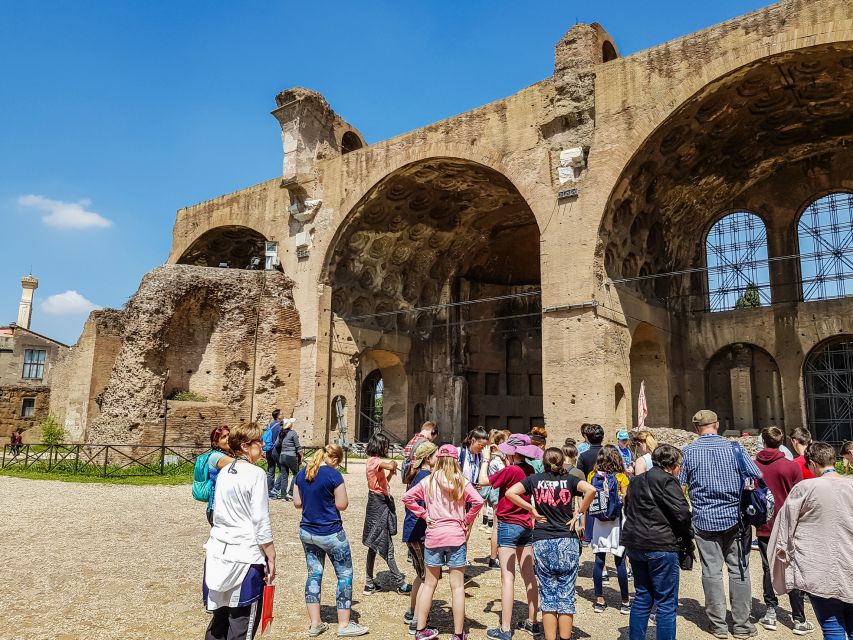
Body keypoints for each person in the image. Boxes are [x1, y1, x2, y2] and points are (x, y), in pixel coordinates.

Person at [679, 410, 760, 640]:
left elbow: (680, 485)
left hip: (704, 519)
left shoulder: (689, 452)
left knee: (711, 571)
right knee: (739, 570)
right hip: (736, 518)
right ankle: (742, 626)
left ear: (697, 429)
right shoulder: (735, 448)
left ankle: (718, 626)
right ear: (716, 424)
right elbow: (755, 476)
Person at [506, 447, 597, 640]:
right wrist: (579, 513)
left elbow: (510, 493)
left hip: (542, 539)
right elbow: (591, 489)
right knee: (566, 593)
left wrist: (531, 508)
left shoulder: (535, 480)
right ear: (562, 462)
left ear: (543, 463)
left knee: (548, 594)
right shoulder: (571, 480)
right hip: (567, 539)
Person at [769, 441, 853, 640]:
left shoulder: (805, 488)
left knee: (832, 627)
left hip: (819, 568)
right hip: (851, 564)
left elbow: (784, 529)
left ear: (813, 464)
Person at [402, 444, 485, 640]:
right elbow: (479, 501)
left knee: (429, 584)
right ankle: (458, 634)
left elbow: (407, 498)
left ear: (437, 459)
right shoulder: (462, 482)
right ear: (455, 461)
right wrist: (466, 519)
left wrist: (424, 514)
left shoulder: (429, 481)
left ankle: (421, 630)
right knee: (457, 587)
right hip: (456, 536)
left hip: (434, 535)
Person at [203, 423, 275, 640]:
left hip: (217, 552)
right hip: (245, 556)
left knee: (219, 620)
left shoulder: (224, 472)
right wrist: (270, 554)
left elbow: (217, 513)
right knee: (242, 623)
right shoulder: (256, 474)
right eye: (258, 442)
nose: (263, 446)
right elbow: (260, 519)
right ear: (245, 446)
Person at [293, 443, 368, 637]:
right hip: (331, 533)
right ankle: (343, 625)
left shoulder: (302, 473)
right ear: (334, 459)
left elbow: (297, 503)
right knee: (344, 575)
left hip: (307, 532)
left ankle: (315, 623)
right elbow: (342, 505)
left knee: (314, 574)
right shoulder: (334, 475)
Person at [622, 444, 693, 640]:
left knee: (642, 596)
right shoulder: (668, 481)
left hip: (636, 542)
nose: (680, 469)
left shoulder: (636, 481)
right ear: (672, 465)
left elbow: (628, 509)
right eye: (679, 465)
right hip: (661, 544)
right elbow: (682, 514)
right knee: (666, 602)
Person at [479, 434, 543, 640]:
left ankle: (505, 629)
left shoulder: (510, 470)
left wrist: (486, 460)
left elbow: (482, 482)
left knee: (507, 577)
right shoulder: (529, 469)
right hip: (526, 524)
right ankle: (532, 622)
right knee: (529, 575)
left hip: (508, 524)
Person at [753, 426, 813, 635]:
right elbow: (800, 500)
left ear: (763, 441)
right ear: (781, 443)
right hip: (789, 525)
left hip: (765, 525)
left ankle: (770, 612)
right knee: (791, 568)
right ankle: (798, 619)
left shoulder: (753, 465)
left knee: (769, 568)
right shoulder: (791, 467)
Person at [363, 432, 411, 594]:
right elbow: (390, 464)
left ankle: (369, 582)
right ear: (379, 446)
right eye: (386, 445)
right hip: (378, 505)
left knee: (373, 544)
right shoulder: (374, 461)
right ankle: (400, 582)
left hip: (380, 502)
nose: (388, 448)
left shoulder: (375, 463)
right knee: (385, 544)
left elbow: (382, 483)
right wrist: (393, 464)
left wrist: (390, 474)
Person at [587, 445, 631, 614]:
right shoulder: (621, 477)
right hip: (616, 522)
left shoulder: (592, 475)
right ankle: (625, 601)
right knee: (620, 562)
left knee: (599, 561)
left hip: (599, 522)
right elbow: (626, 501)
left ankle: (599, 599)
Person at [402, 440, 439, 635]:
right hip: (420, 532)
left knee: (421, 575)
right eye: (436, 456)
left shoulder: (418, 475)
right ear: (428, 458)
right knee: (428, 578)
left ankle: (412, 611)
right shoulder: (426, 477)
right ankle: (417, 621)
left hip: (413, 532)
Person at [483, 431, 509, 569]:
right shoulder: (497, 459)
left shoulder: (496, 457)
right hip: (497, 493)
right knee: (497, 526)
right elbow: (508, 472)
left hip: (497, 492)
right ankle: (493, 558)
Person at [205, 426, 234, 526]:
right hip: (218, 508)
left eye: (229, 435)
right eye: (223, 437)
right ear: (215, 443)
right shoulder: (217, 456)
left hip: (228, 507)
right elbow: (244, 464)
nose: (228, 439)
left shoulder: (229, 454)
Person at [275, 417, 302, 501]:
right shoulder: (293, 433)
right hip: (291, 456)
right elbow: (298, 446)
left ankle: (283, 495)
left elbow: (276, 444)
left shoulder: (281, 433)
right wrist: (302, 456)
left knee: (284, 476)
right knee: (296, 474)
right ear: (290, 425)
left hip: (282, 456)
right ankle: (290, 493)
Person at [263, 409, 283, 498]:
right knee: (283, 470)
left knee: (270, 470)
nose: (283, 415)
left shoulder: (270, 425)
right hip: (276, 450)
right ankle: (276, 489)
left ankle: (269, 490)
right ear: (278, 416)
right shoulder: (280, 426)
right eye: (281, 414)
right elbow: (280, 440)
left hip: (268, 449)